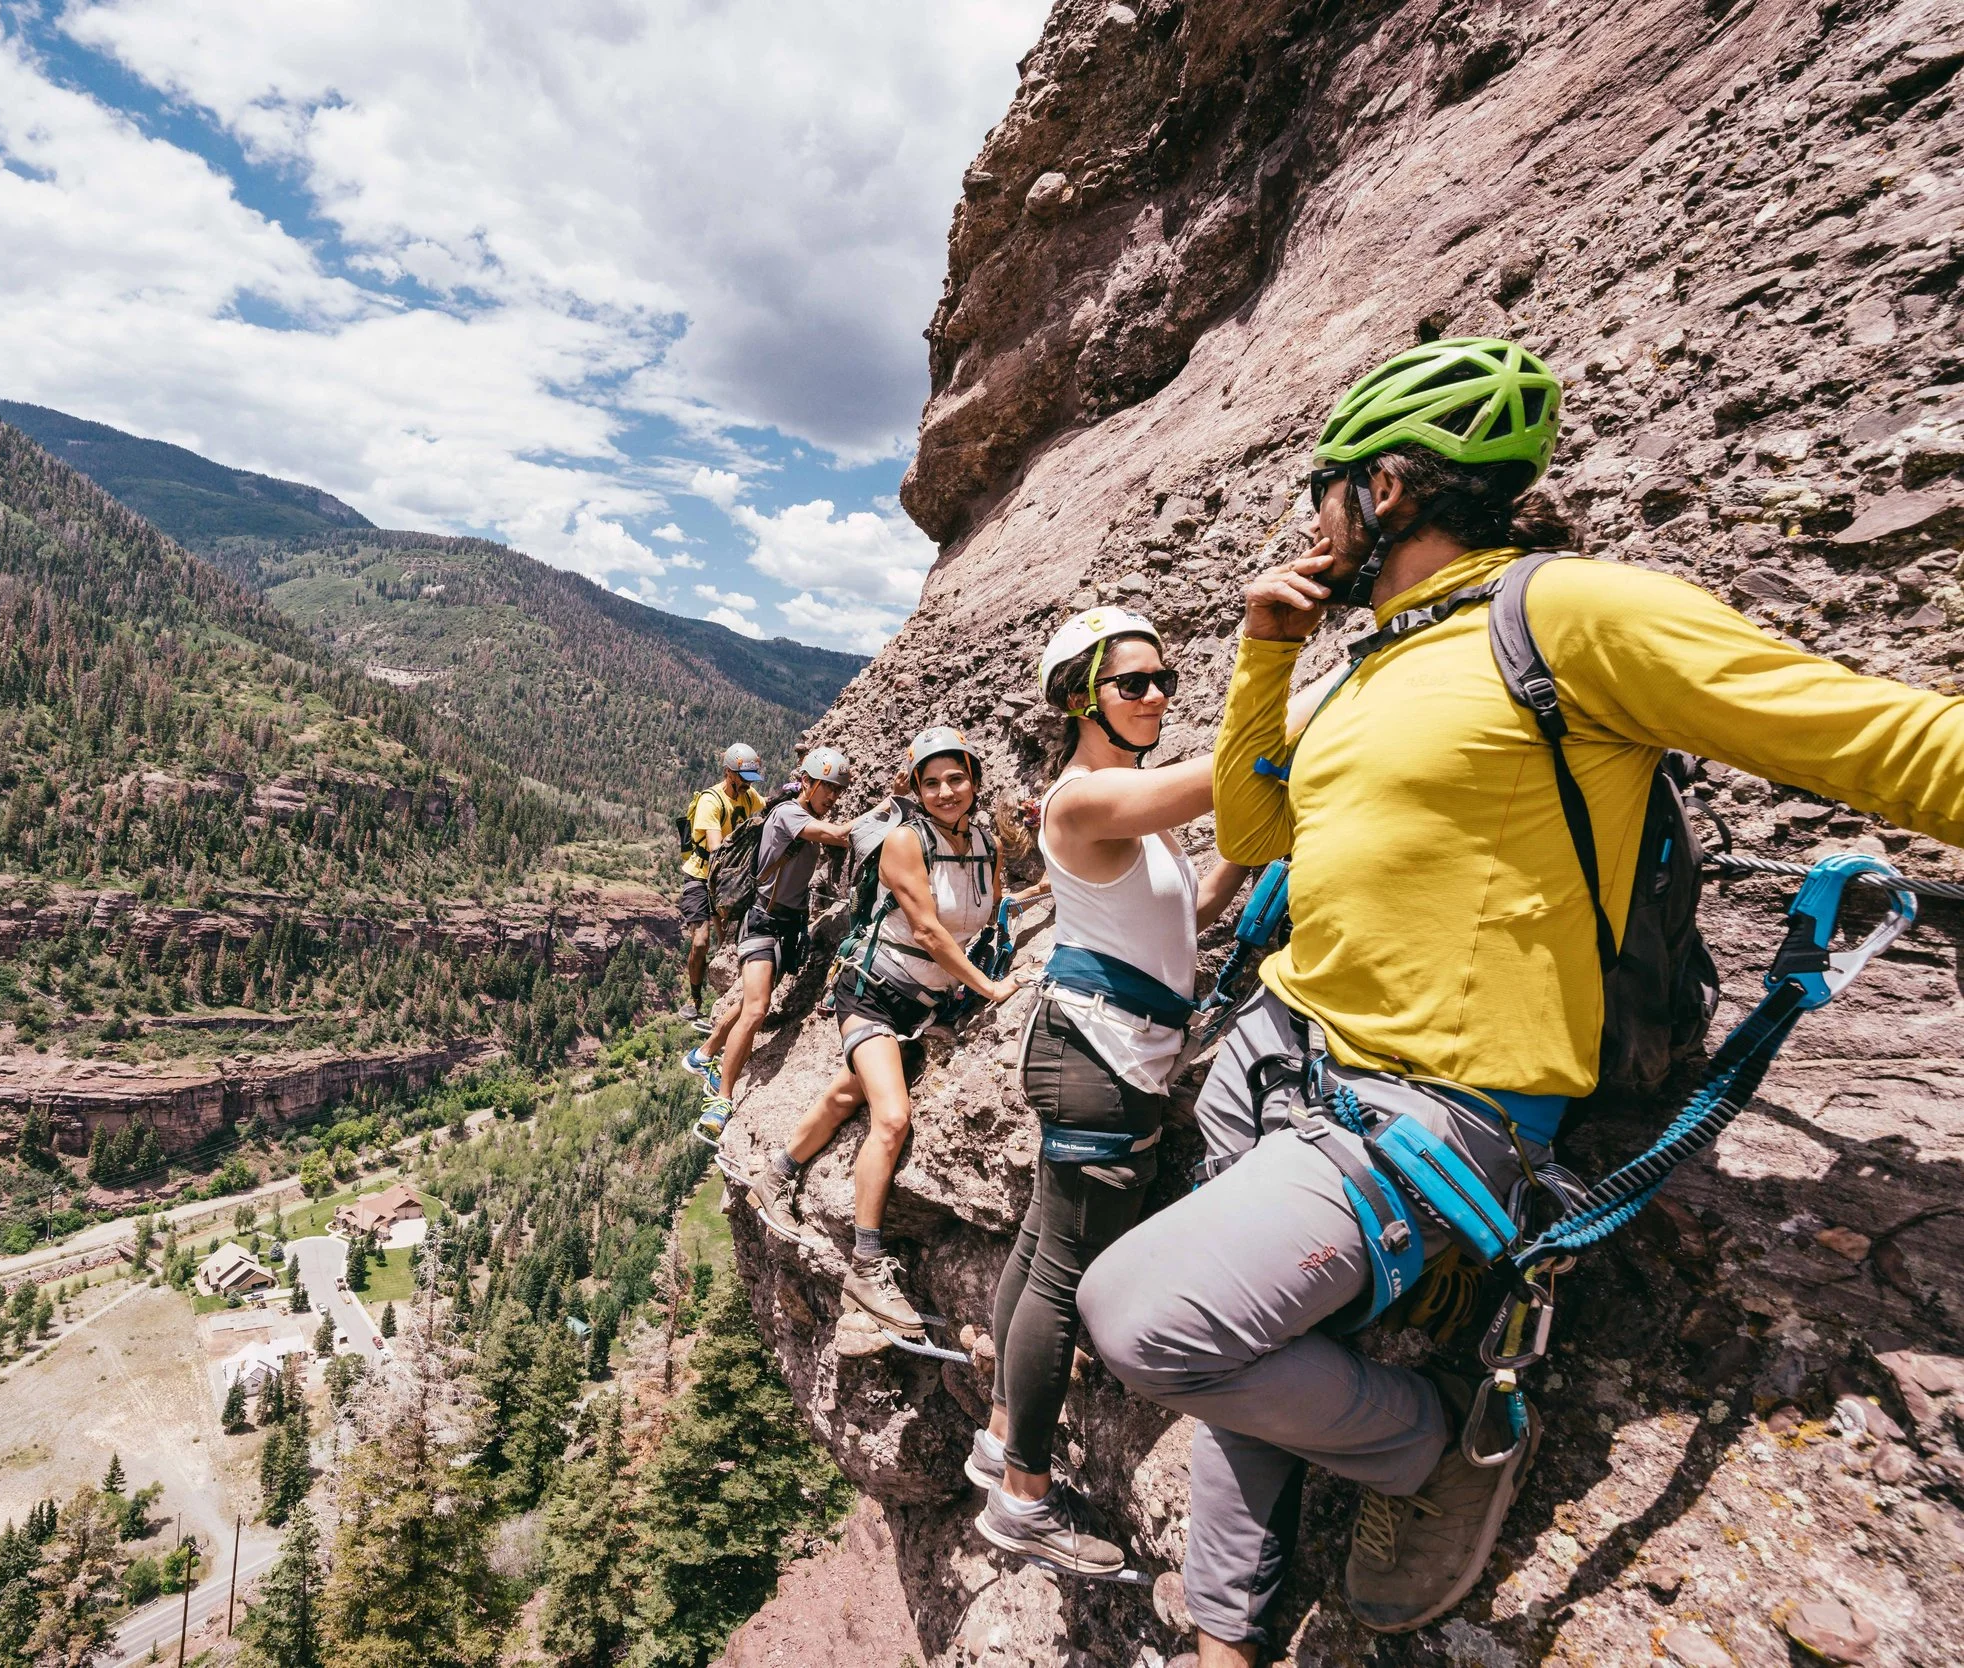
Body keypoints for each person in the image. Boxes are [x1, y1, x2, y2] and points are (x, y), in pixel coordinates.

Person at [1071, 337, 1964, 1658]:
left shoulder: (1566, 614)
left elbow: (1884, 740)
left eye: (1324, 489)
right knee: (1229, 1336)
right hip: (1292, 1060)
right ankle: (1222, 1634)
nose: (1308, 517)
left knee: (1143, 1319)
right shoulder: (1376, 662)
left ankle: (1422, 1436)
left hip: (1435, 1105)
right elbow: (1259, 825)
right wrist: (1268, 649)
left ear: (1386, 488)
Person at [969, 609, 1246, 1577]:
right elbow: (1226, 772)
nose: (1158, 694)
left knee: (1041, 1245)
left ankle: (1002, 1436)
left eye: (1162, 677)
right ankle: (1025, 1499)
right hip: (1105, 1063)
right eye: (1134, 682)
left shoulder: (1124, 802)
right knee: (1063, 1276)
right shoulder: (1079, 800)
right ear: (1082, 699)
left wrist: (1246, 863)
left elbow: (1182, 914)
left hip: (1091, 1051)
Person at [745, 727, 1018, 1337]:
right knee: (891, 1118)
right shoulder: (904, 841)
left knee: (849, 1093)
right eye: (932, 782)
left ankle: (777, 1173)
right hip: (872, 993)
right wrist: (990, 988)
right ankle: (865, 1269)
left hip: (924, 1002)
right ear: (916, 789)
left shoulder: (986, 843)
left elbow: (992, 908)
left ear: (974, 779)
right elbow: (926, 930)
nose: (947, 791)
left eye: (957, 778)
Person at [690, 747, 857, 1140]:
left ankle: (705, 1053)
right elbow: (836, 835)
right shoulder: (789, 814)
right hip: (763, 921)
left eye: (837, 790)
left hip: (788, 926)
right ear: (808, 783)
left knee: (753, 999)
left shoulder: (804, 814)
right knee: (759, 1007)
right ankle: (722, 1100)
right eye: (827, 788)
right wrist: (892, 805)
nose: (832, 797)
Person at [676, 742, 765, 1021]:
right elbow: (715, 848)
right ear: (729, 773)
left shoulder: (748, 796)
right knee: (701, 941)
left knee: (727, 941)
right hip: (702, 875)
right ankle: (694, 996)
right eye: (744, 779)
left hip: (729, 878)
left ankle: (730, 995)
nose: (749, 785)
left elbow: (766, 809)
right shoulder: (711, 801)